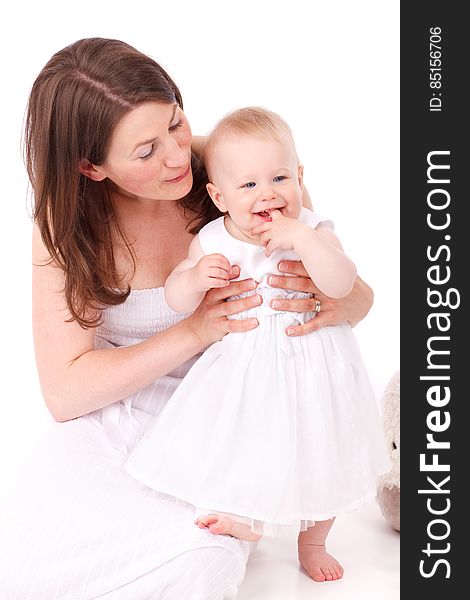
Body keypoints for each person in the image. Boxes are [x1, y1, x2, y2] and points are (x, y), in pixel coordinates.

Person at [0, 39, 374, 599]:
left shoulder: (237, 168)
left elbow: (357, 294)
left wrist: (331, 301)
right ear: (91, 167)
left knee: (199, 563)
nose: (177, 156)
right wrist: (194, 330)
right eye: (146, 151)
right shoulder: (66, 226)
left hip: (234, 413)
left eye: (175, 122)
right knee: (29, 562)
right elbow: (65, 392)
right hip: (114, 416)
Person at [124, 107, 390, 583]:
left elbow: (342, 280)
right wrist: (194, 279)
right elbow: (176, 296)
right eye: (248, 186)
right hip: (245, 369)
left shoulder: (313, 227)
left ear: (300, 177)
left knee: (319, 453)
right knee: (244, 445)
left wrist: (306, 241)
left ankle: (313, 541)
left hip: (315, 369)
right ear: (219, 197)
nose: (267, 193)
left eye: (280, 177)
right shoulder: (212, 239)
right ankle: (246, 518)